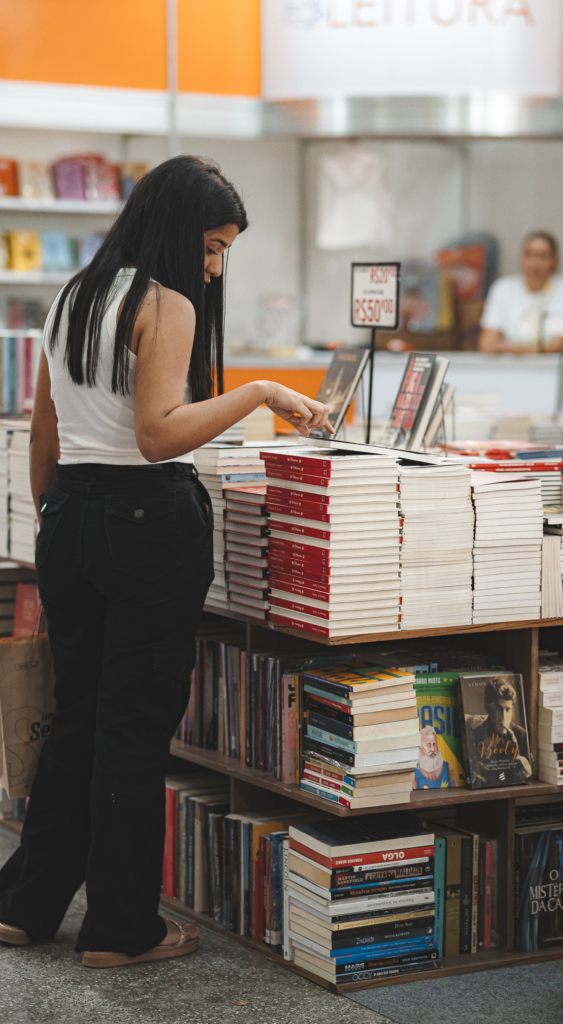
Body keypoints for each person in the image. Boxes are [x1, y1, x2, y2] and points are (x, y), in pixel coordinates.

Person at [0, 156, 331, 968]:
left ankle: (26, 904)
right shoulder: (166, 301)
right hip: (148, 526)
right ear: (179, 234)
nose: (215, 266)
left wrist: (58, 520)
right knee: (134, 731)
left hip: (69, 516)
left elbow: (45, 435)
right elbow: (157, 434)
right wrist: (259, 394)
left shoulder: (75, 294)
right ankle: (121, 928)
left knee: (78, 716)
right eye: (213, 247)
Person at [478, 231, 563, 354]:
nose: (534, 263)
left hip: (552, 368)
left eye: (542, 256)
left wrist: (520, 350)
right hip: (511, 368)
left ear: (554, 260)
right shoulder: (502, 288)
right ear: (521, 258)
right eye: (529, 255)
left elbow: (560, 345)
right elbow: (487, 344)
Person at [469, 678, 532, 786]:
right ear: (487, 707)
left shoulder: (521, 735)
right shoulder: (476, 734)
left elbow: (529, 777)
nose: (503, 718)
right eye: (498, 709)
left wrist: (528, 773)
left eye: (508, 710)